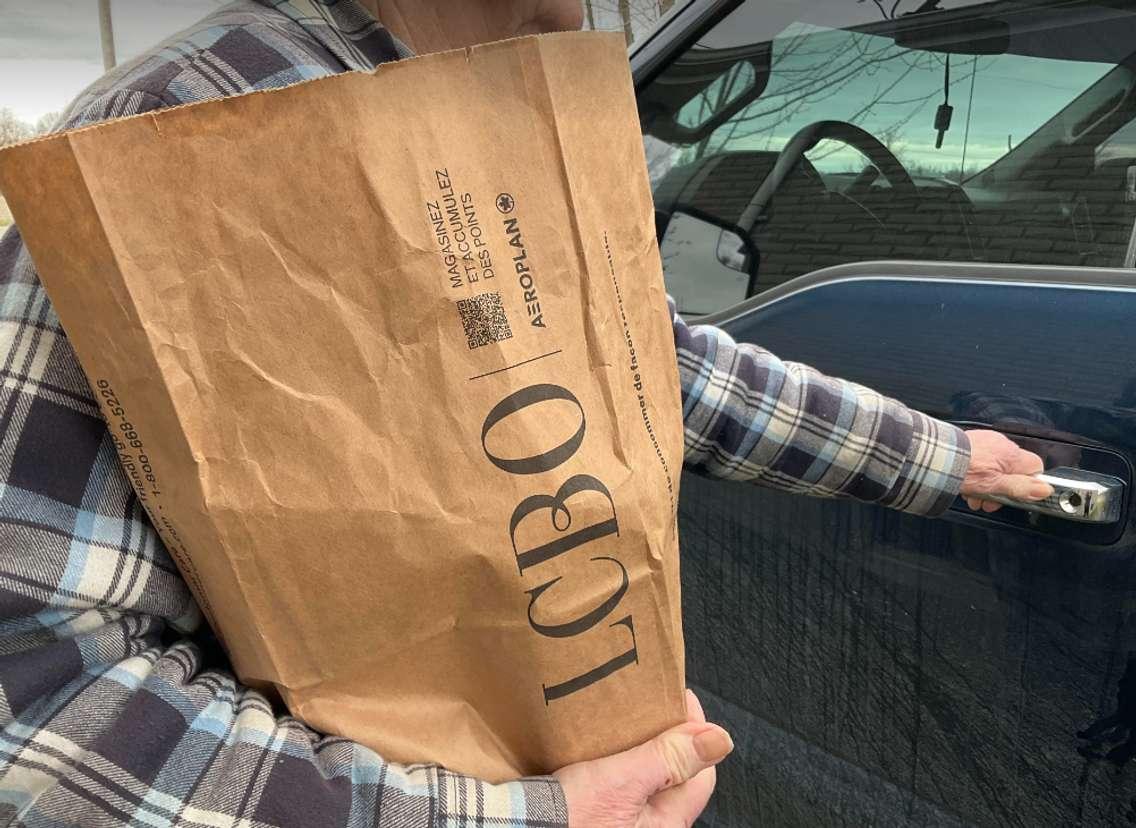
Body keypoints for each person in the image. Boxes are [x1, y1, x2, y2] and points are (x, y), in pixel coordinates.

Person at [0, 1, 1051, 825]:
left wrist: (934, 455)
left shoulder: (519, 106)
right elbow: (34, 698)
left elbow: (641, 362)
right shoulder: (165, 139)